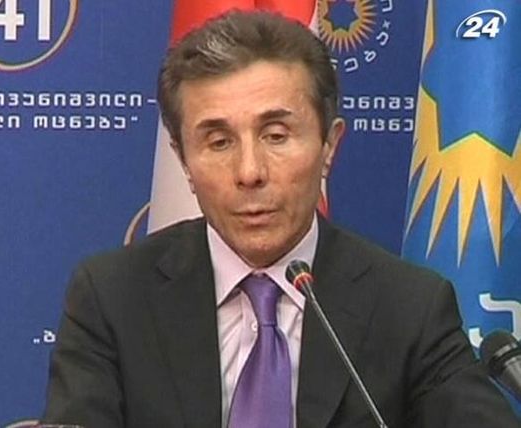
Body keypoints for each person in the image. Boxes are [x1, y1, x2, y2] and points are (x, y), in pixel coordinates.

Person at [42, 10, 520, 428]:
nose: (249, 172)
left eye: (275, 135)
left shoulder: (409, 307)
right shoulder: (113, 298)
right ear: (183, 160)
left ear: (329, 145)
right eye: (218, 142)